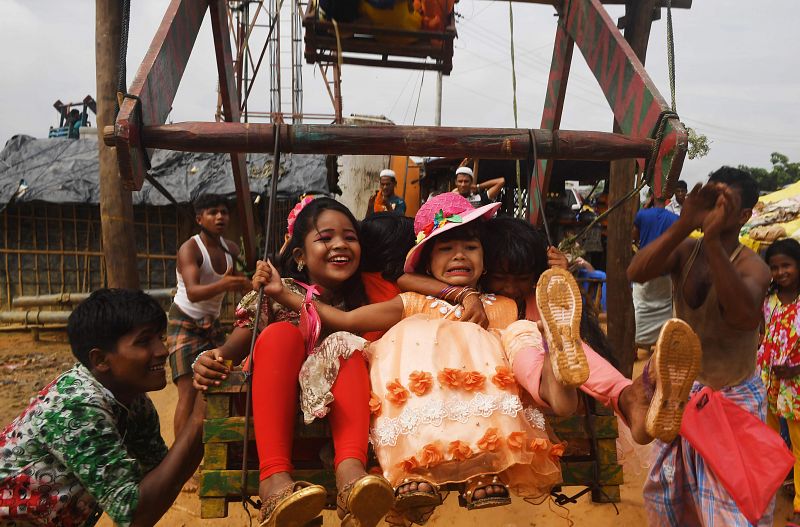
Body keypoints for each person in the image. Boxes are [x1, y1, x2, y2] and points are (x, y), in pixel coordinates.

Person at [258, 193, 583, 523]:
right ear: (427, 264)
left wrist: (555, 274)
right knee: (366, 356)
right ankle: (410, 472)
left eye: (470, 247)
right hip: (414, 406)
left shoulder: (499, 305)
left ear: (486, 260)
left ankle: (504, 443)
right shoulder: (412, 301)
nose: (459, 255)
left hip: (485, 399)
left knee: (522, 342)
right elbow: (346, 320)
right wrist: (283, 294)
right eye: (445, 248)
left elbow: (532, 320)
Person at [192, 197, 394, 527]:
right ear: (299, 256)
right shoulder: (276, 293)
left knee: (346, 344)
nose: (340, 245)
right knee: (280, 336)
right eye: (325, 238)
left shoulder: (363, 302)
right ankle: (274, 478)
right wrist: (207, 359)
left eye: (350, 237)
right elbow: (226, 352)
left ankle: (350, 478)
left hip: (337, 430)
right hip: (272, 430)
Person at [629, 167, 774, 526]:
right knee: (668, 498)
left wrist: (711, 240)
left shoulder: (754, 266)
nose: (715, 208)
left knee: (732, 509)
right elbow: (636, 272)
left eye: (725, 204)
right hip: (681, 394)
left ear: (743, 216)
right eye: (711, 199)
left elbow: (742, 316)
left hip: (733, 397)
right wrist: (685, 222)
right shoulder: (686, 250)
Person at [0, 289, 205, 526]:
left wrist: (201, 419)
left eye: (160, 337)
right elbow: (134, 514)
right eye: (143, 341)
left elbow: (164, 474)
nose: (162, 351)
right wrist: (197, 419)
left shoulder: (135, 403)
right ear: (100, 360)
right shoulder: (77, 405)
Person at [169, 195, 250, 438]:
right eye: (213, 212)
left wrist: (251, 286)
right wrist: (227, 283)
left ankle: (210, 445)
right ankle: (179, 458)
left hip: (211, 324)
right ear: (199, 218)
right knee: (187, 391)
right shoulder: (190, 248)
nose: (220, 217)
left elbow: (239, 284)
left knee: (216, 382)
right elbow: (193, 292)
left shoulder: (231, 249)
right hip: (184, 321)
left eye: (224, 212)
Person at [759, 238, 800, 525]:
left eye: (786, 265)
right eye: (774, 267)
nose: (780, 272)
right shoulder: (768, 299)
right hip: (768, 380)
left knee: (799, 445)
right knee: (767, 441)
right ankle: (763, 498)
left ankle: (799, 507)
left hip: (797, 383)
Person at [632, 195, 680, 352]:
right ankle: (659, 345)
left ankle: (636, 345)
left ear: (652, 198)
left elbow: (634, 236)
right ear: (668, 199)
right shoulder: (674, 218)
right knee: (664, 308)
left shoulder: (642, 215)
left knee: (640, 306)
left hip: (644, 269)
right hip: (664, 271)